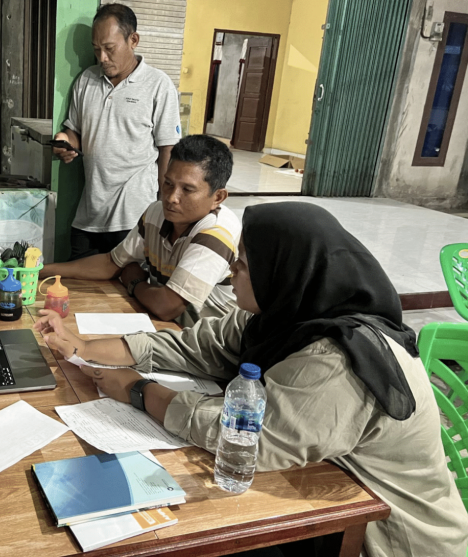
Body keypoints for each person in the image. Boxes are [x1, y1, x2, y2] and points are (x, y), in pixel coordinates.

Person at [34, 201, 468, 557]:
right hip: (320, 501)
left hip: (385, 538)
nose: (231, 274)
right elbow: (192, 346)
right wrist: (81, 347)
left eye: (241, 265)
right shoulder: (283, 317)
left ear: (285, 271)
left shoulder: (341, 357)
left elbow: (245, 438)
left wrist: (139, 390)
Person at [42, 135, 240, 325]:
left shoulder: (217, 232)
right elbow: (111, 262)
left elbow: (167, 306)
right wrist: (37, 271)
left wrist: (135, 283)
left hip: (206, 345)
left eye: (187, 190)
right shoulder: (156, 213)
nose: (171, 197)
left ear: (218, 197)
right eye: (168, 184)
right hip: (165, 326)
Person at [54, 3, 181, 259]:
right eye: (96, 49)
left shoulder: (158, 85)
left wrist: (164, 205)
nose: (102, 57)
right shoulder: (86, 80)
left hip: (134, 217)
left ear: (133, 40)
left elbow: (168, 148)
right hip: (89, 214)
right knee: (79, 292)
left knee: (125, 293)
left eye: (109, 48)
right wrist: (64, 140)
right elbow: (75, 130)